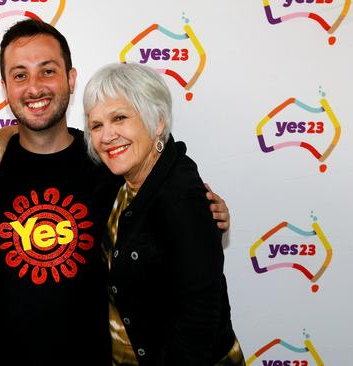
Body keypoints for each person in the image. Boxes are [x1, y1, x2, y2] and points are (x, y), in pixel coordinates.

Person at [0, 19, 231, 366]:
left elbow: (166, 204)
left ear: (71, 79)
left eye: (47, 71)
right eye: (20, 75)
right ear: (5, 88)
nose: (34, 87)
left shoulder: (108, 162)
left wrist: (205, 214)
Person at [83, 62, 244, 365]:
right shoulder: (118, 182)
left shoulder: (181, 196)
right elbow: (52, 142)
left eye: (120, 117)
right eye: (96, 125)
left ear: (157, 121)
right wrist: (9, 134)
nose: (107, 136)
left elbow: (199, 318)